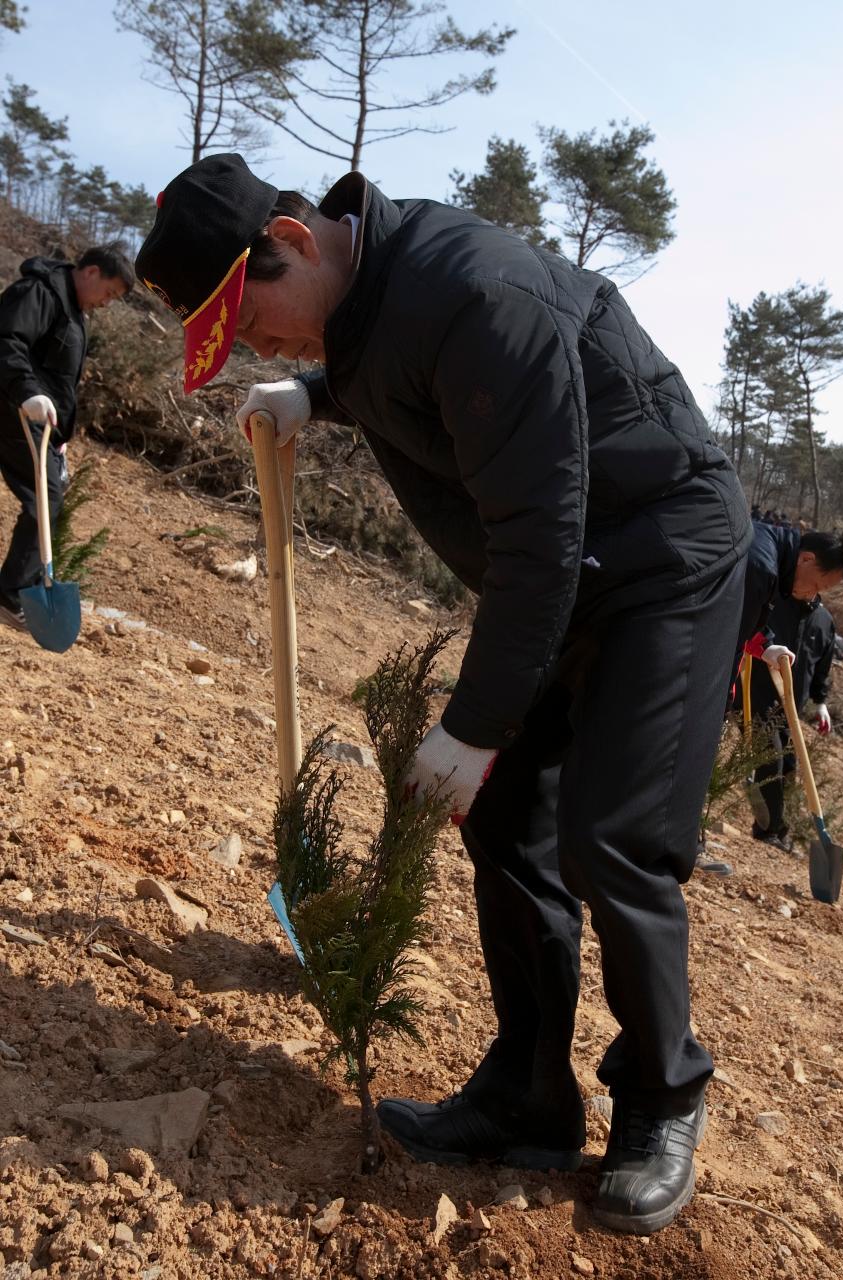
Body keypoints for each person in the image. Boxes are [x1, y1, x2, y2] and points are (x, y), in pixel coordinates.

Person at [136, 153, 752, 1235]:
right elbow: (389, 363)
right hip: (569, 568)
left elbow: (539, 537)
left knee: (612, 835)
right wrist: (312, 393)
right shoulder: (364, 302)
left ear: (292, 231)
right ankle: (527, 1094)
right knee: (508, 824)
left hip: (661, 557)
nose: (258, 345)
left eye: (255, 320)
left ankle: (661, 1097)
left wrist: (473, 726)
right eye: (236, 345)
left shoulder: (474, 292)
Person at [0, 244, 133, 630]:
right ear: (90, 271)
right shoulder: (39, 293)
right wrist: (27, 392)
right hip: (14, 411)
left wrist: (60, 439)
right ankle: (10, 595)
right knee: (45, 498)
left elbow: (57, 375)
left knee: (48, 495)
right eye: (109, 292)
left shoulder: (73, 310)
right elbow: (7, 341)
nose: (107, 303)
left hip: (37, 423)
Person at [737, 594, 836, 851]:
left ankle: (780, 829)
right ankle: (767, 830)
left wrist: (821, 703)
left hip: (791, 707)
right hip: (758, 698)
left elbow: (821, 668)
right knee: (772, 758)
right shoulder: (775, 605)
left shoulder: (824, 620)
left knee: (790, 765)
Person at [734, 520, 843, 679]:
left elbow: (744, 617)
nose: (811, 596)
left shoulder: (767, 544)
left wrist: (765, 647)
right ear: (806, 559)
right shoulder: (762, 571)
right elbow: (729, 644)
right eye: (815, 585)